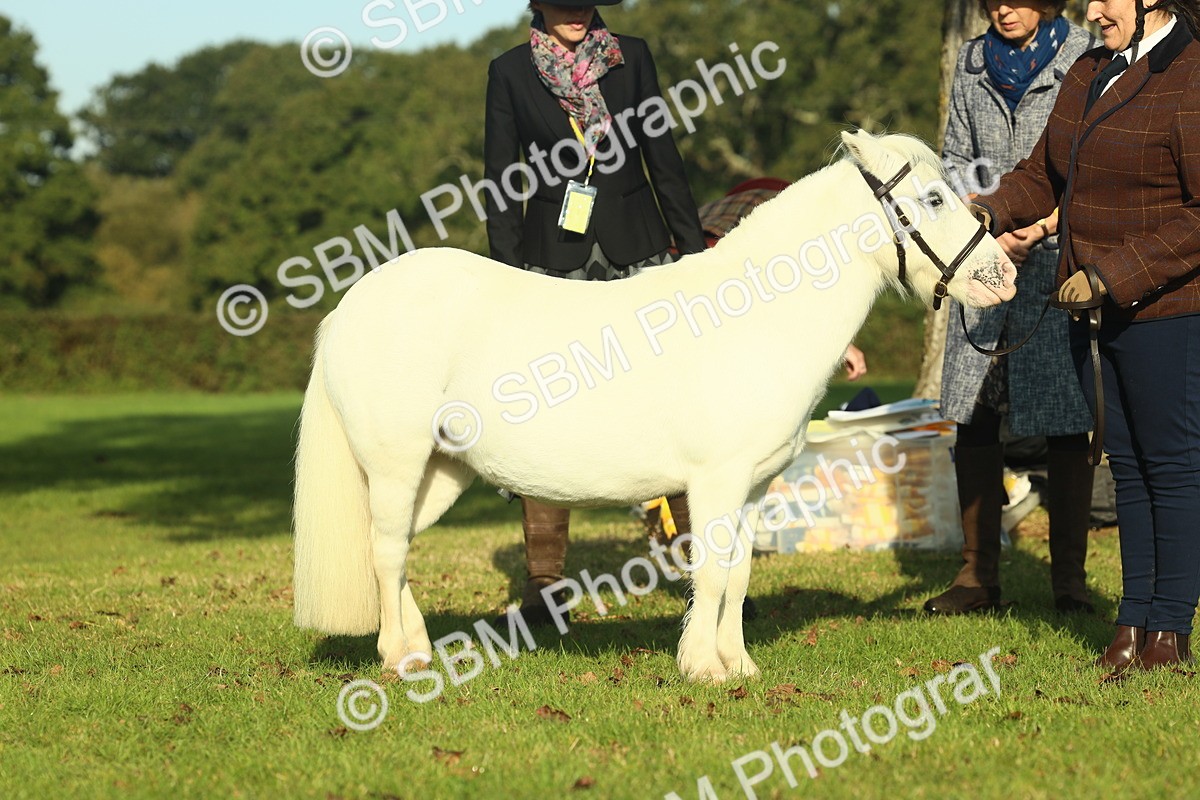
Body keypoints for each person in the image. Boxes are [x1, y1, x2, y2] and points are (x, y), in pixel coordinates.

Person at [973, 0, 1200, 668]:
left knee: (1174, 467)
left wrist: (1112, 274)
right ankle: (1132, 625)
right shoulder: (1089, 70)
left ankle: (1170, 632)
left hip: (1168, 305)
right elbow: (1044, 174)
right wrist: (984, 211)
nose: (1093, 10)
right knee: (1127, 467)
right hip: (1091, 307)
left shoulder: (1191, 74)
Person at [483, 0, 707, 626]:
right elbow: (500, 176)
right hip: (552, 255)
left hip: (638, 246)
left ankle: (699, 569)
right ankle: (544, 586)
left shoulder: (631, 56)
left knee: (675, 407)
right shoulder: (508, 72)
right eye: (562, 5)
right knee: (545, 414)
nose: (575, 14)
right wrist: (504, 275)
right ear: (538, 8)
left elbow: (662, 155)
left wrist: (693, 254)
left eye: (583, 4)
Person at [926, 0, 1097, 616]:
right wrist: (982, 221)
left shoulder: (1083, 53)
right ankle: (976, 578)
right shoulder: (972, 61)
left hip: (1058, 255)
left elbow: (1092, 155)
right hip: (981, 254)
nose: (1003, 9)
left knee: (1066, 415)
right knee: (973, 411)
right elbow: (951, 156)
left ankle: (1069, 583)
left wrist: (1046, 222)